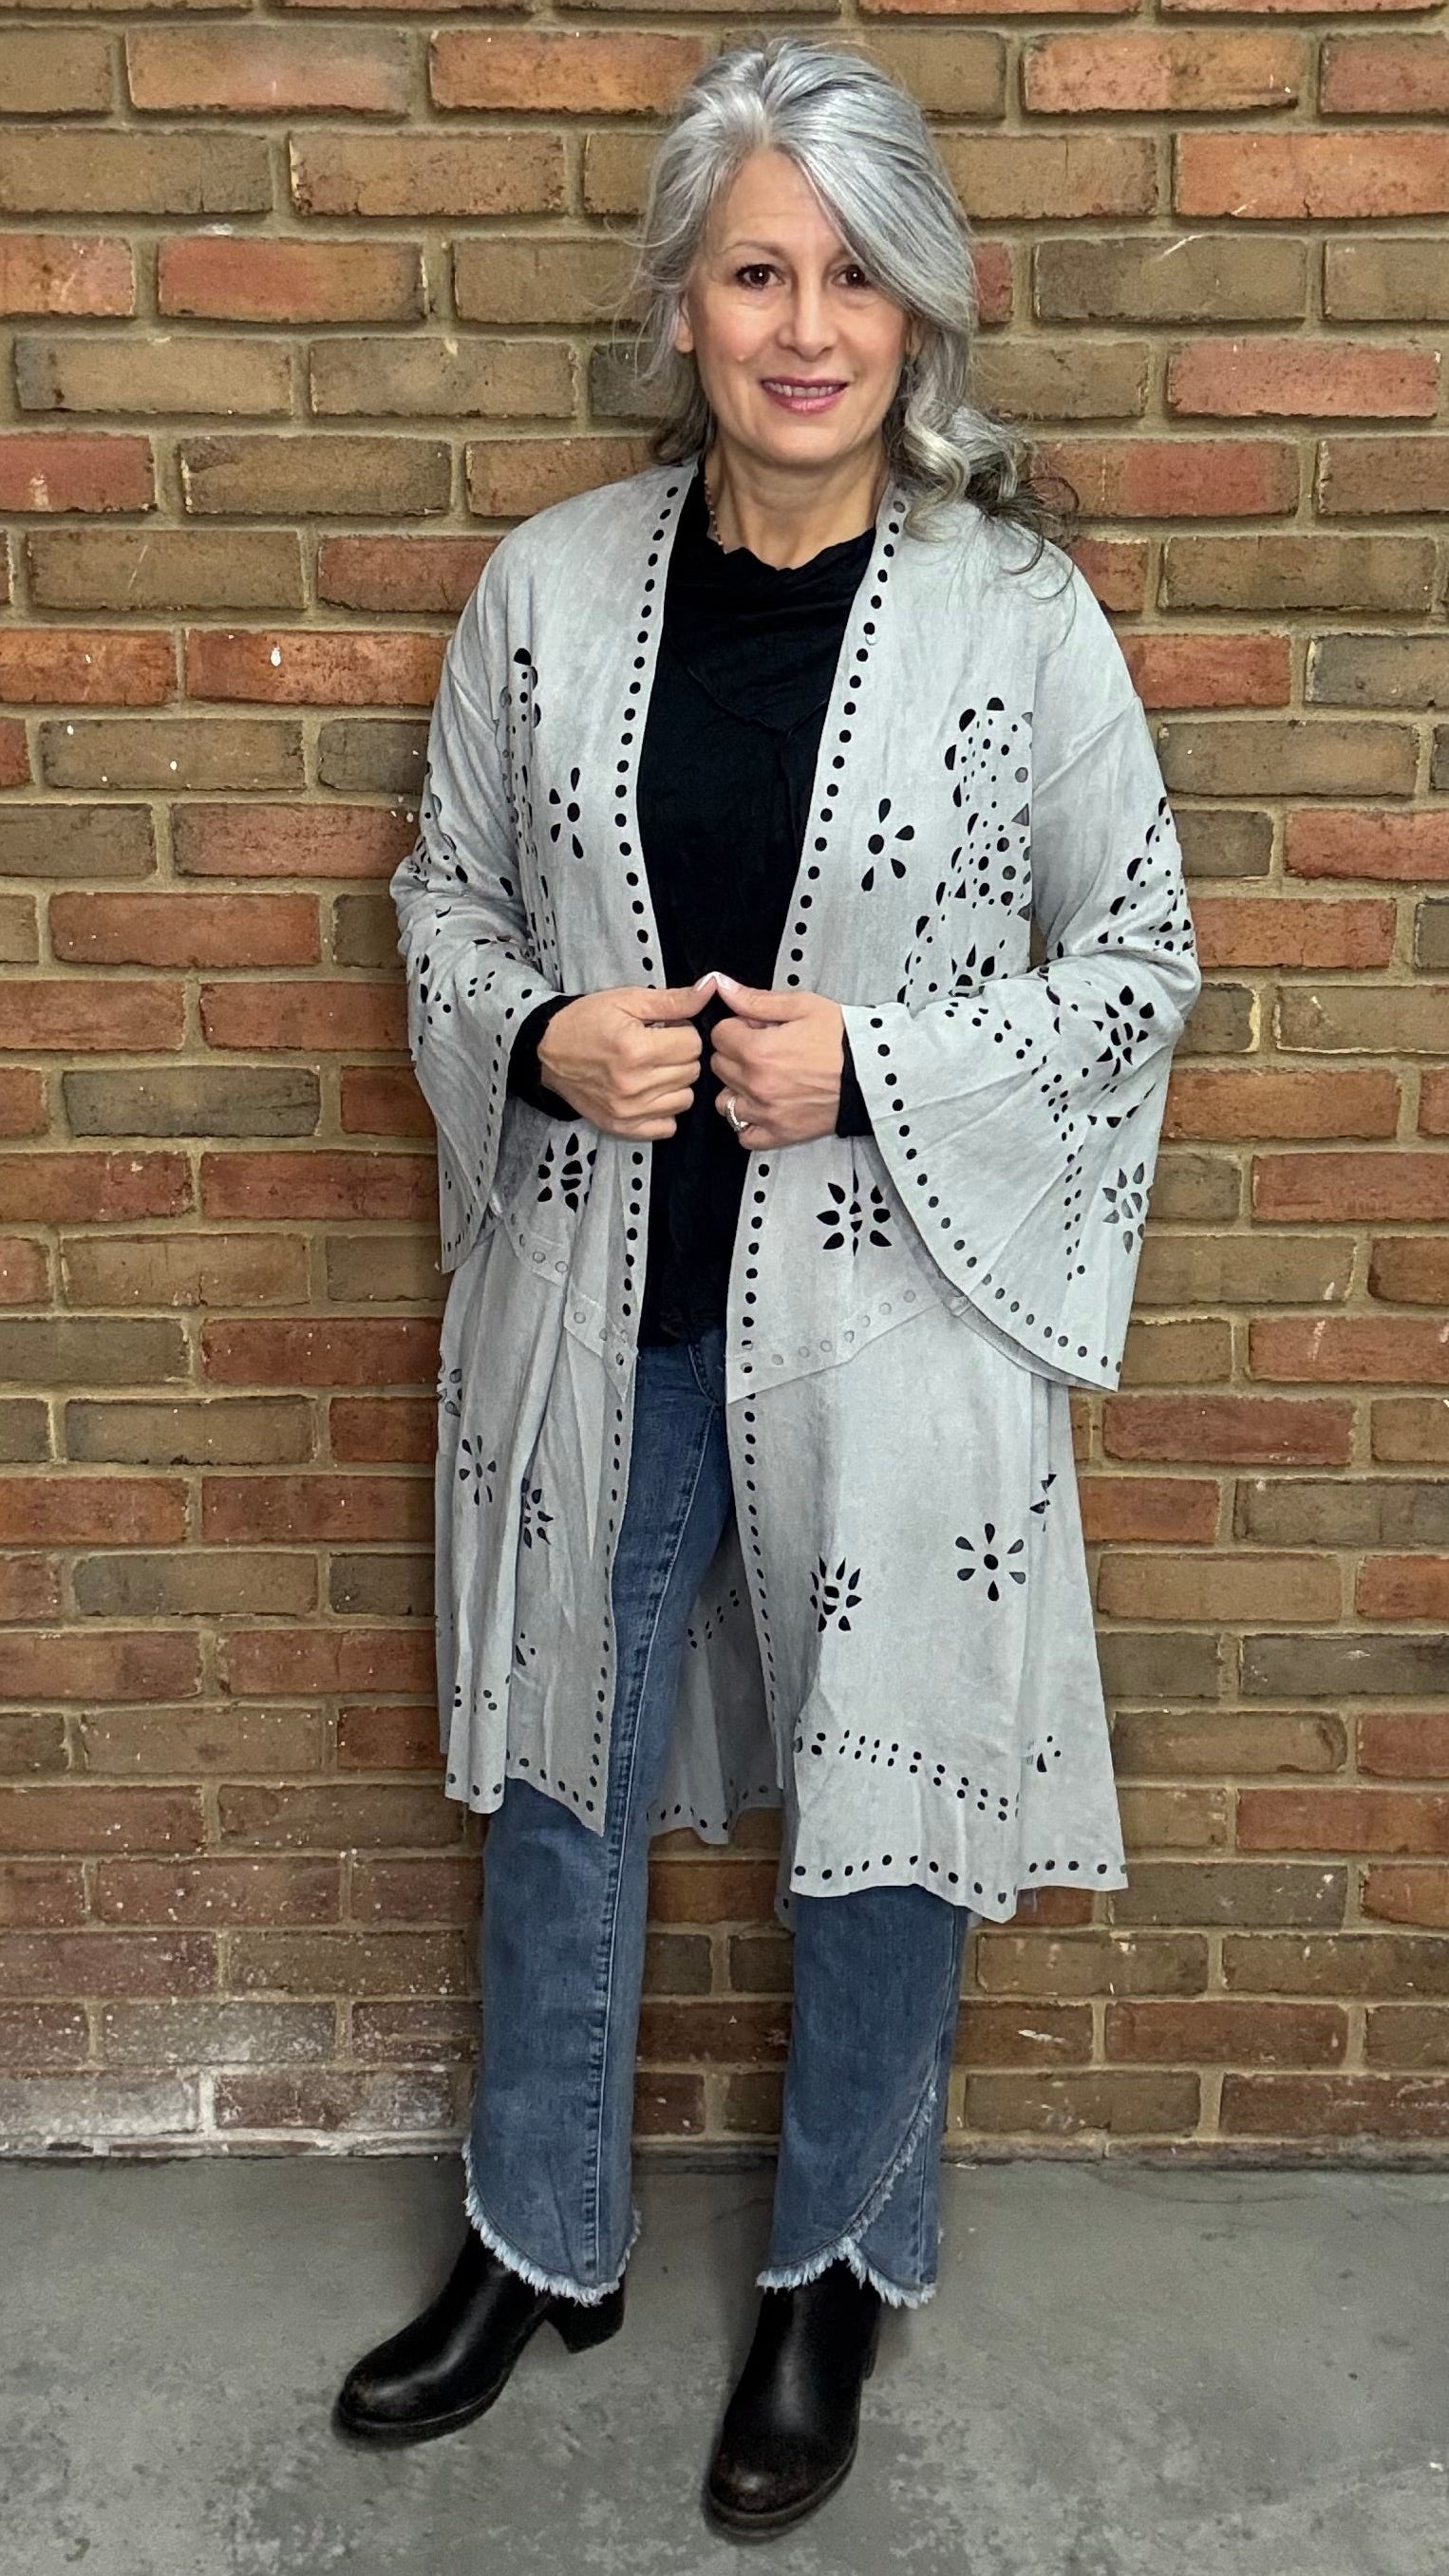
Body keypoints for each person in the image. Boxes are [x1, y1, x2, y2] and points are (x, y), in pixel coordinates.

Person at [333, 32, 1200, 2540]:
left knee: (887, 1819)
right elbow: (443, 897)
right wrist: (534, 1033)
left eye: (850, 276)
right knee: (559, 1788)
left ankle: (835, 2258)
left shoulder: (1018, 620)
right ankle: (538, 2234)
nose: (802, 327)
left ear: (918, 320)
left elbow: (1140, 964)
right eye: (754, 271)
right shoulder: (550, 590)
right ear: (684, 306)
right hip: (598, 1313)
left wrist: (884, 1069)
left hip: (901, 1321)